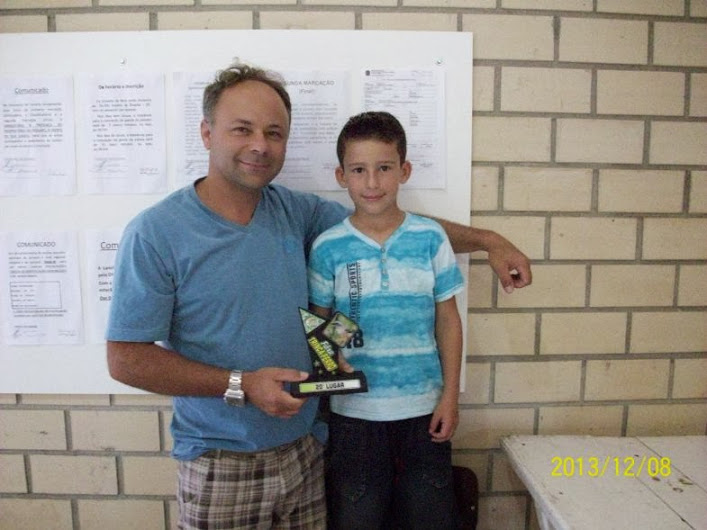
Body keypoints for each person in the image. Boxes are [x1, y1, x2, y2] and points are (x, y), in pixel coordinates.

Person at [105, 62, 531, 530]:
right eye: (242, 129)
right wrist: (242, 383)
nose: (260, 145)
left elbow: (388, 225)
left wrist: (488, 241)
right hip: (221, 462)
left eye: (274, 133)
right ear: (207, 133)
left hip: (306, 453)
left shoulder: (295, 212)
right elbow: (126, 359)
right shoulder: (156, 232)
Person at [308, 111, 463, 529]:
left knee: (429, 516)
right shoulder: (329, 247)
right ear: (341, 176)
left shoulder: (430, 238)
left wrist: (450, 396)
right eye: (359, 170)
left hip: (424, 409)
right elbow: (321, 323)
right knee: (357, 515)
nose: (372, 182)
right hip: (354, 414)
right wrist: (331, 358)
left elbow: (447, 321)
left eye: (384, 168)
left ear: (404, 171)